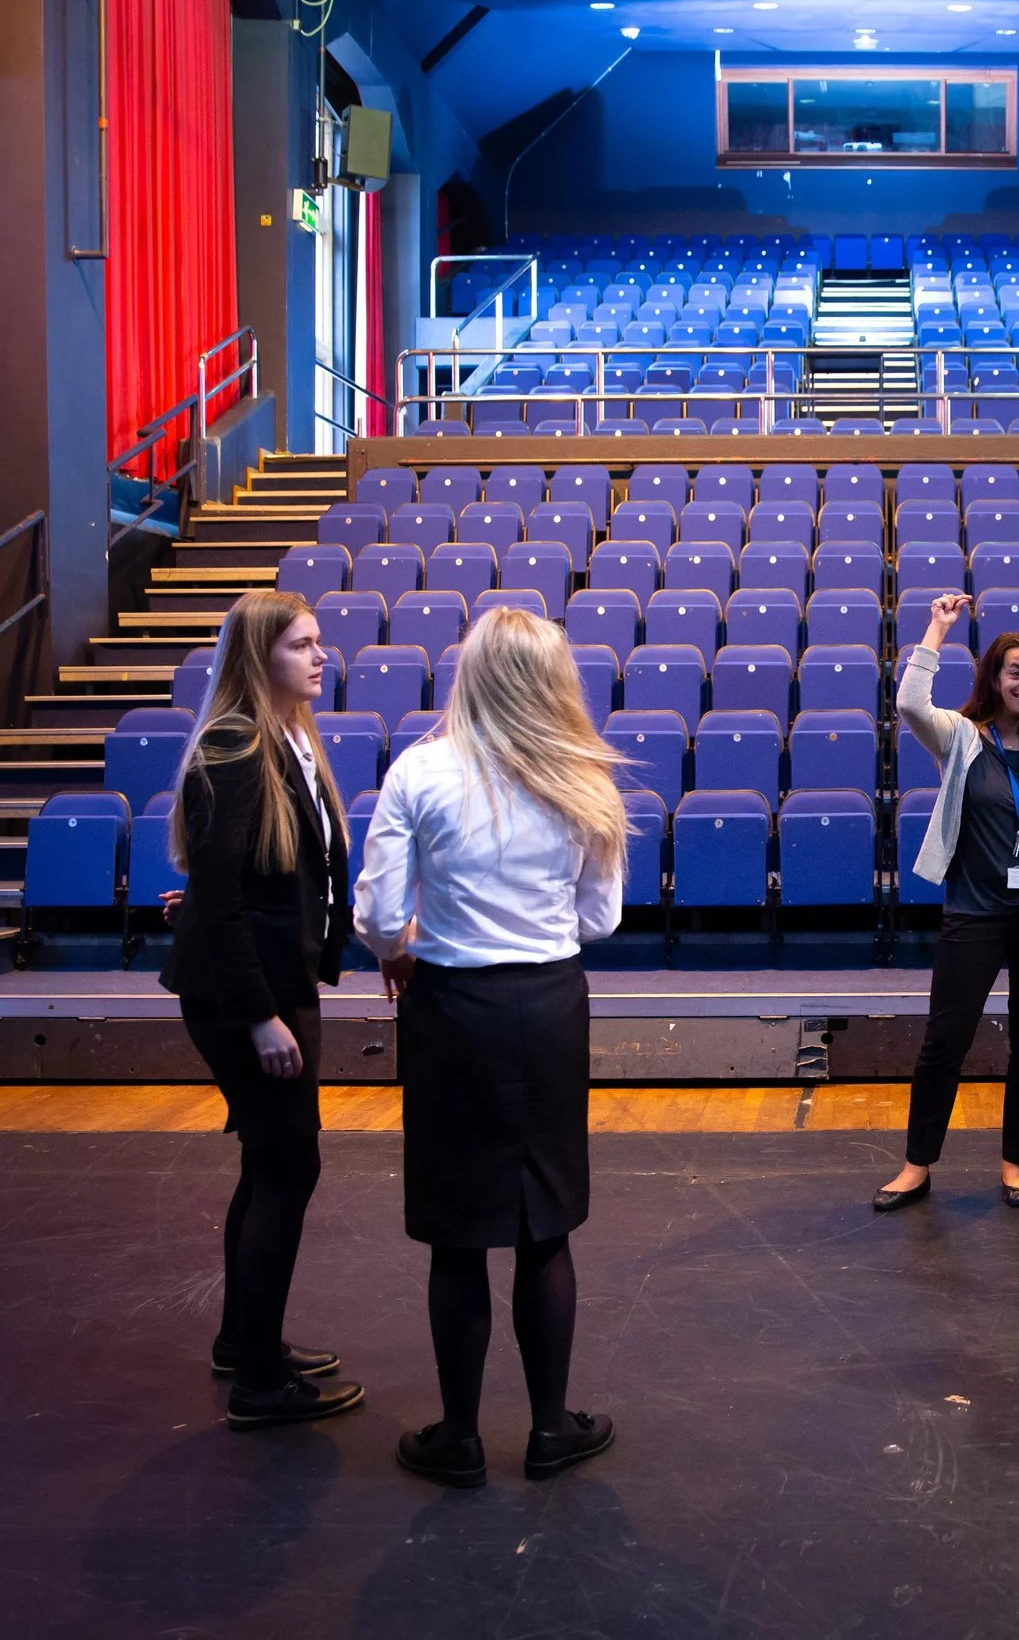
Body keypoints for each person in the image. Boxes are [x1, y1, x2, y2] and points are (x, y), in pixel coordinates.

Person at [354, 606, 626, 1488]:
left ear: (469, 673)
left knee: (456, 1231)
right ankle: (550, 1429)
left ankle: (460, 1435)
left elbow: (379, 918)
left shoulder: (419, 771)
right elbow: (599, 917)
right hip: (548, 1006)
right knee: (545, 1226)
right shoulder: (582, 775)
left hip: (452, 1007)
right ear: (554, 681)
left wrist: (405, 950)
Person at [160, 590, 365, 1430]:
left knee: (269, 1163)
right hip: (251, 1001)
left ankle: (246, 1341)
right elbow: (222, 891)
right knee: (289, 1167)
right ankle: (258, 1381)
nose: (322, 657)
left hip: (274, 985)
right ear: (258, 657)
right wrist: (259, 1016)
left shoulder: (287, 737)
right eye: (303, 645)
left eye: (320, 643)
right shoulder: (237, 747)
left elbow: (252, 879)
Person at [876, 593, 1019, 1212]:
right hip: (976, 910)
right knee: (945, 1040)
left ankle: (1015, 1163)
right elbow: (908, 704)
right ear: (994, 679)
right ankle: (916, 1166)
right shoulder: (961, 738)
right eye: (1014, 673)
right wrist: (937, 629)